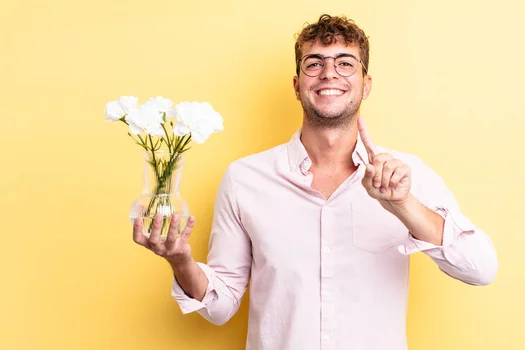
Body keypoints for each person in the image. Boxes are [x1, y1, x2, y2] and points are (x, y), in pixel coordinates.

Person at [133, 14, 498, 350]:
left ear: (365, 84)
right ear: (296, 85)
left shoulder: (406, 176)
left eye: (344, 63)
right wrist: (182, 262)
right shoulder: (245, 179)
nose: (329, 73)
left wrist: (403, 205)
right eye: (314, 64)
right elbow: (220, 307)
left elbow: (481, 269)